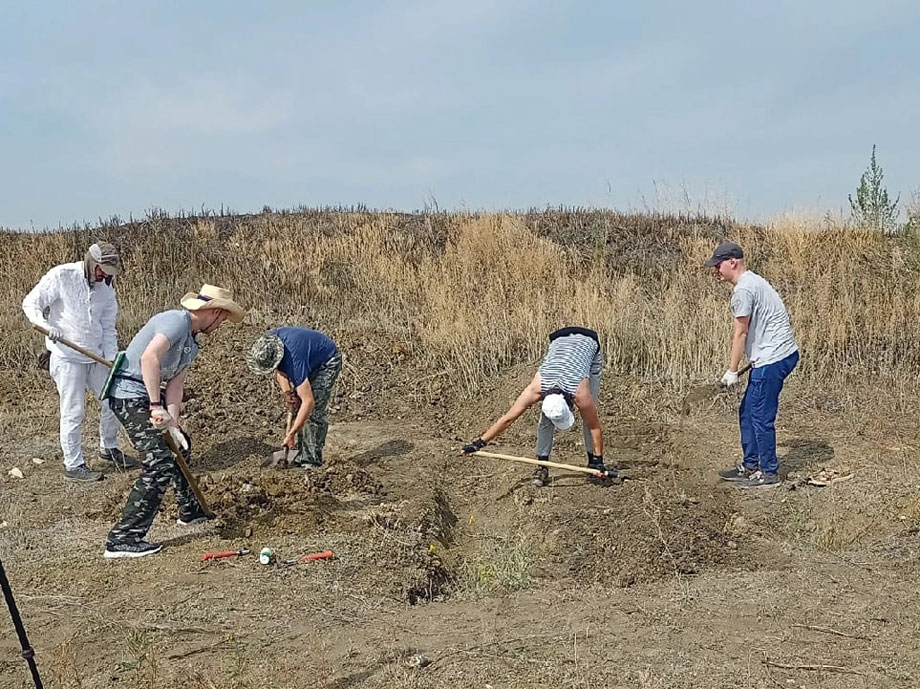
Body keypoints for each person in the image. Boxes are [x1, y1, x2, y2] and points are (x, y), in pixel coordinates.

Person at [103, 284, 245, 558]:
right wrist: (156, 406)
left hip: (149, 398)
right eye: (223, 318)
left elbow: (176, 386)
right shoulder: (176, 320)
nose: (222, 325)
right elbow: (149, 358)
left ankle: (190, 510)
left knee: (181, 448)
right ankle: (123, 538)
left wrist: (174, 425)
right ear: (214, 312)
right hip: (129, 396)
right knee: (158, 460)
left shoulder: (191, 344)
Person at [22, 242, 137, 481]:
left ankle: (109, 448)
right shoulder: (62, 276)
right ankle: (74, 464)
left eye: (109, 273)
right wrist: (46, 326)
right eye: (102, 270)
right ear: (91, 262)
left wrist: (110, 357)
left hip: (95, 355)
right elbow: (31, 303)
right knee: (74, 411)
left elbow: (107, 326)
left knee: (112, 401)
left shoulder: (107, 289)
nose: (105, 276)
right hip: (66, 356)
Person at [460, 326, 611, 486]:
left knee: (589, 416)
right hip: (558, 339)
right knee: (546, 418)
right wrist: (478, 444)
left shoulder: (581, 394)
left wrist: (600, 460)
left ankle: (593, 463)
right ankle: (542, 466)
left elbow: (594, 426)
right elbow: (508, 419)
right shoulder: (535, 388)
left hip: (589, 342)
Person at [706, 241, 799, 488]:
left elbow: (741, 332)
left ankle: (768, 473)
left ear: (732, 262)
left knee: (760, 416)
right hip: (776, 355)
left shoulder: (744, 290)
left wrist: (732, 370)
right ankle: (751, 465)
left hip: (773, 358)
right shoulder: (753, 281)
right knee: (747, 411)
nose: (716, 270)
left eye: (718, 265)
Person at [247, 327, 342, 468]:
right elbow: (280, 370)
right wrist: (287, 393)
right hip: (307, 357)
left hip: (327, 361)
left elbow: (308, 402)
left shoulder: (294, 361)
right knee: (299, 406)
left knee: (313, 412)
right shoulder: (268, 343)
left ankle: (311, 461)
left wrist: (291, 433)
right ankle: (302, 450)